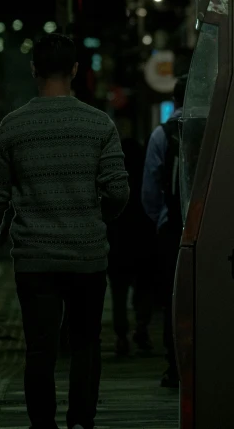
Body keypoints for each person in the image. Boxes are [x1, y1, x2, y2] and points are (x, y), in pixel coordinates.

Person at [0, 34, 129, 429]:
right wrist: (96, 218)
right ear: (76, 70)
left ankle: (42, 424)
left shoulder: (12, 126)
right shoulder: (99, 124)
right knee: (85, 344)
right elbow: (118, 190)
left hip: (34, 259)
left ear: (33, 71)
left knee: (39, 350)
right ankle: (81, 420)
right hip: (87, 256)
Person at [141, 76, 187, 389]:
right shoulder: (214, 127)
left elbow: (149, 190)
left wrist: (161, 218)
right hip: (209, 224)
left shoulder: (162, 133)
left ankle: (174, 364)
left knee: (174, 297)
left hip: (172, 229)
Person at [106, 137, 156, 357]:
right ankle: (142, 327)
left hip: (117, 240)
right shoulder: (145, 179)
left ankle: (121, 336)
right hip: (143, 236)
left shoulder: (113, 180)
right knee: (144, 286)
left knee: (118, 290)